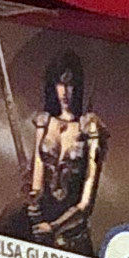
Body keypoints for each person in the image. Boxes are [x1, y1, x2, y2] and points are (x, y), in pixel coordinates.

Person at [16, 55, 105, 247]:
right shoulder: (44, 122)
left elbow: (85, 203)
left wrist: (54, 227)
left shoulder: (90, 128)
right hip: (39, 227)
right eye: (59, 84)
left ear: (77, 86)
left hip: (72, 236)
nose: (64, 92)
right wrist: (32, 200)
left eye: (70, 84)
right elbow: (37, 184)